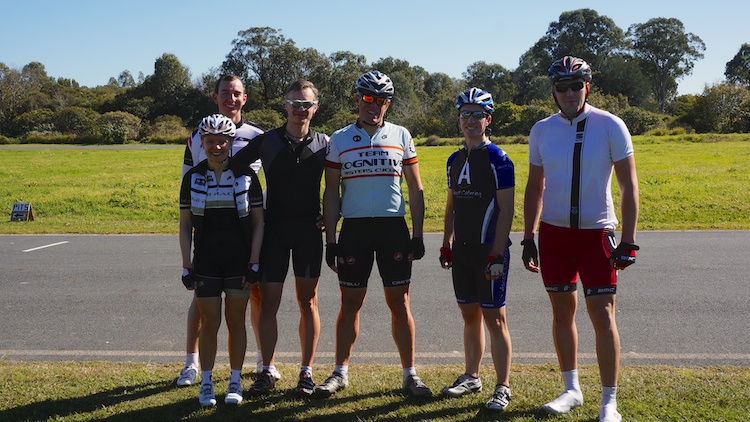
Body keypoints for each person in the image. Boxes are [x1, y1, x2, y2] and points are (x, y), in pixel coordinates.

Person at [522, 56, 640, 422]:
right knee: (562, 312)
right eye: (563, 87)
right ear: (554, 91)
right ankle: (571, 389)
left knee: (602, 314)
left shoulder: (611, 125)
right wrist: (528, 236)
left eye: (577, 85)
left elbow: (628, 186)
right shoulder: (542, 129)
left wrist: (629, 239)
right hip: (554, 234)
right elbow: (535, 186)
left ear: (587, 87)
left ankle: (609, 402)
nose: (570, 93)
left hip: (596, 233)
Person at [316, 70, 432, 398]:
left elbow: (415, 188)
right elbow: (331, 192)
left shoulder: (401, 135)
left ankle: (410, 374)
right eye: (368, 98)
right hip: (355, 229)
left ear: (388, 104)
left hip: (393, 227)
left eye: (381, 100)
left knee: (400, 302)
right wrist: (331, 241)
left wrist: (418, 235)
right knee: (350, 302)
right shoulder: (339, 139)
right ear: (357, 99)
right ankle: (340, 373)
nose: (374, 105)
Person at [231, 80, 329, 398]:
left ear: (315, 108)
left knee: (308, 302)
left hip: (308, 232)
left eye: (306, 104)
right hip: (273, 230)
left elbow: (342, 181)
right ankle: (266, 370)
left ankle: (306, 372)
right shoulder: (267, 141)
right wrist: (253, 208)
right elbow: (234, 167)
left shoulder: (325, 144)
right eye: (294, 103)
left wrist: (332, 215)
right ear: (285, 106)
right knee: (269, 303)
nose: (300, 109)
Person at [176, 74, 275, 388]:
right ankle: (191, 363)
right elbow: (189, 179)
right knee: (202, 300)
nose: (230, 99)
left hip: (247, 225)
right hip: (211, 229)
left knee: (252, 295)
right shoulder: (197, 135)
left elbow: (272, 179)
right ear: (214, 96)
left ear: (245, 98)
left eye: (236, 93)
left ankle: (263, 363)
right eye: (224, 93)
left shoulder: (259, 135)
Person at [439, 88, 515, 412]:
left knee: (494, 319)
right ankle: (472, 376)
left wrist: (496, 253)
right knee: (469, 314)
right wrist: (447, 241)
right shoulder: (454, 160)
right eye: (465, 114)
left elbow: (507, 208)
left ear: (488, 119)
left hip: (489, 252)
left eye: (477, 114)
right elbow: (451, 205)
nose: (470, 120)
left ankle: (503, 387)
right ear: (459, 119)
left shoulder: (499, 158)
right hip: (463, 251)